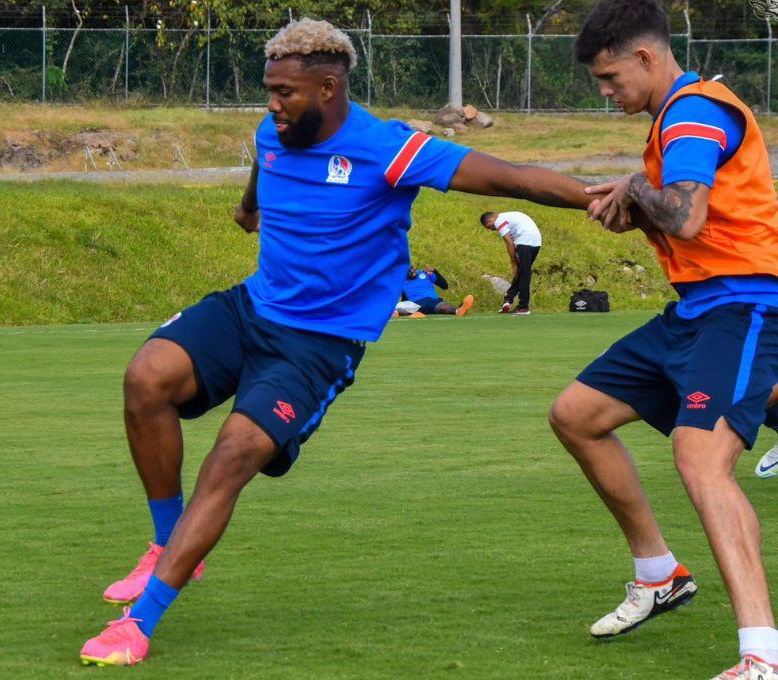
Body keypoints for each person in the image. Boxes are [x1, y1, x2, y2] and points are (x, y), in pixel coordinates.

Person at [79, 18, 603, 667]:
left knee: (234, 452)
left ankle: (141, 621)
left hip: (318, 345)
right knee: (145, 378)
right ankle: (166, 543)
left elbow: (514, 179)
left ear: (329, 87)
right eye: (269, 90)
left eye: (284, 92)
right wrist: (249, 211)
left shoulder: (391, 148)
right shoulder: (274, 131)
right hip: (253, 308)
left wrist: (602, 197)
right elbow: (260, 172)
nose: (272, 104)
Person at [548, 1, 778, 677]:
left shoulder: (695, 112)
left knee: (700, 459)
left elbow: (684, 212)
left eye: (611, 77)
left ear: (647, 58)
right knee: (577, 415)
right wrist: (636, 203)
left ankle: (762, 656)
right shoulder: (672, 121)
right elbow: (676, 214)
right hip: (697, 309)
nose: (606, 91)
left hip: (745, 306)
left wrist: (638, 190)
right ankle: (659, 574)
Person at [480, 210, 542, 315]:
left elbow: (509, 243)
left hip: (524, 242)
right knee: (522, 272)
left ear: (490, 220)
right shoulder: (509, 215)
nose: (491, 230)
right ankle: (508, 300)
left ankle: (523, 307)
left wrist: (513, 264)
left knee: (523, 275)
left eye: (488, 227)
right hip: (536, 242)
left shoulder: (499, 221)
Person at [393, 265, 474, 317]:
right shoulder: (401, 282)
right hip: (415, 303)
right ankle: (399, 313)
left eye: (412, 268)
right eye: (409, 271)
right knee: (396, 307)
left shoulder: (425, 273)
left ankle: (458, 311)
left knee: (442, 306)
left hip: (431, 301)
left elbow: (444, 286)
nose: (412, 271)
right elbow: (404, 299)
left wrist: (435, 271)